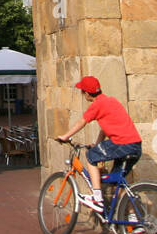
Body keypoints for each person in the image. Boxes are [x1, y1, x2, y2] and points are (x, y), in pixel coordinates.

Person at [55, 76, 141, 214]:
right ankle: (133, 218)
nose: (82, 95)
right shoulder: (111, 101)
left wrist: (65, 136)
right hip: (135, 145)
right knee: (118, 182)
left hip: (122, 143)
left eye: (82, 92)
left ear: (87, 93)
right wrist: (97, 144)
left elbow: (81, 122)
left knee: (91, 156)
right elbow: (105, 128)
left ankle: (97, 199)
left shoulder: (96, 105)